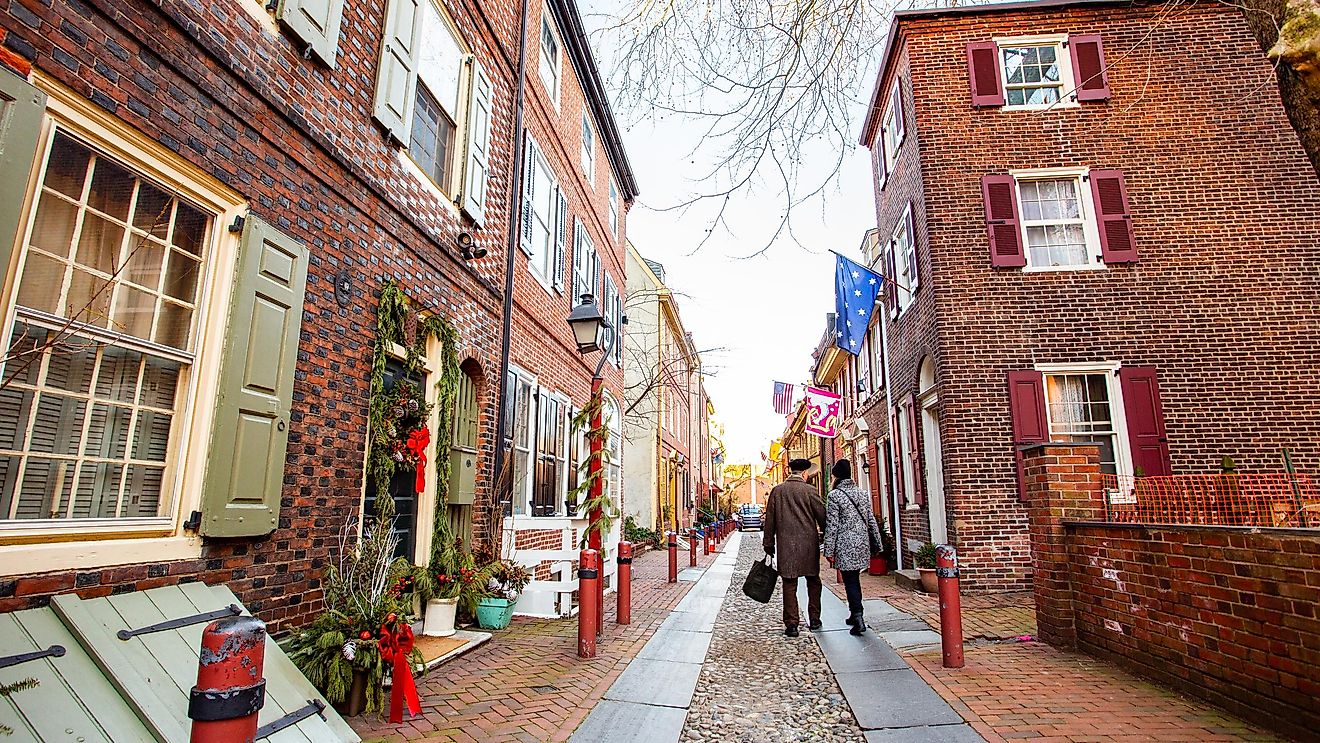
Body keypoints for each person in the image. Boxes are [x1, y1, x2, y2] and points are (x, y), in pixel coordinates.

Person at [763, 458, 826, 637]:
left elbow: (770, 520)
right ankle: (814, 619)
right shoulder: (810, 491)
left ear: (789, 472)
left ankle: (791, 624)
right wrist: (827, 535)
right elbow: (822, 516)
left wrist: (768, 543)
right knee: (813, 581)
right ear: (805, 473)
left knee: (789, 584)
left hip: (786, 544)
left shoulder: (777, 491)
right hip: (808, 544)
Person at [823, 459, 885, 635]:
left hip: (845, 544)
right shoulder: (863, 493)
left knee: (850, 581)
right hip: (862, 543)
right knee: (855, 579)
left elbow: (832, 525)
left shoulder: (834, 496)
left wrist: (829, 550)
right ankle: (854, 614)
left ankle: (858, 618)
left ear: (836, 476)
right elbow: (870, 519)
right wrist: (877, 543)